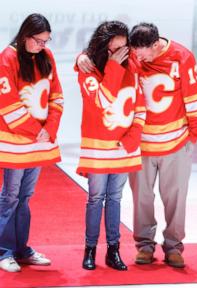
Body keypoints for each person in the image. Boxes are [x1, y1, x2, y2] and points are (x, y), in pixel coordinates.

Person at [77, 22, 197, 268]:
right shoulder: (133, 55)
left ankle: (174, 246)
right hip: (141, 144)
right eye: (134, 51)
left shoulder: (182, 57)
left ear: (155, 44)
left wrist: (193, 137)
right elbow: (103, 58)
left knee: (175, 198)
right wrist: (81, 56)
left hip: (175, 141)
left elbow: (194, 97)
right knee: (141, 199)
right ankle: (144, 245)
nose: (137, 56)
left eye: (142, 51)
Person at [75, 21, 146, 271]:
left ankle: (113, 250)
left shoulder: (133, 67)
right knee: (96, 198)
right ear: (103, 46)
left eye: (124, 49)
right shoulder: (87, 70)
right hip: (97, 147)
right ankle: (90, 249)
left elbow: (140, 106)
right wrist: (114, 65)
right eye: (114, 50)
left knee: (115, 198)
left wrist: (131, 140)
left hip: (123, 149)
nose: (121, 54)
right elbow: (102, 101)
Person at [0, 13, 64, 272]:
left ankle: (20, 248)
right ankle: (4, 251)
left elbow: (57, 96)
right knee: (10, 196)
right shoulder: (8, 57)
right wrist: (35, 130)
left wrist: (50, 128)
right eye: (38, 41)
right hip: (16, 143)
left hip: (39, 142)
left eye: (46, 41)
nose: (42, 46)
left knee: (25, 197)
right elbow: (7, 103)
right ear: (26, 36)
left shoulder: (46, 57)